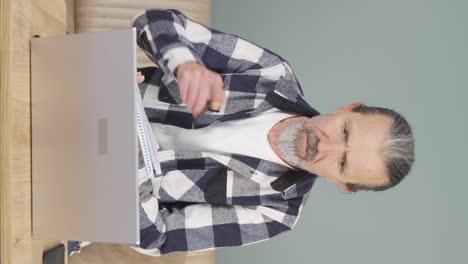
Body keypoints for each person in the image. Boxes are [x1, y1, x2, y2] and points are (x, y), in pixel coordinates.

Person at [69, 8, 415, 257]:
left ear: (341, 184)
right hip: (74, 96)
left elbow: (158, 238)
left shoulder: (276, 213)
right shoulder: (271, 73)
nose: (325, 145)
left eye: (341, 163)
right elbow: (154, 22)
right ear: (347, 109)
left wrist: (128, 154)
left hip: (81, 196)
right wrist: (184, 63)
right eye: (344, 131)